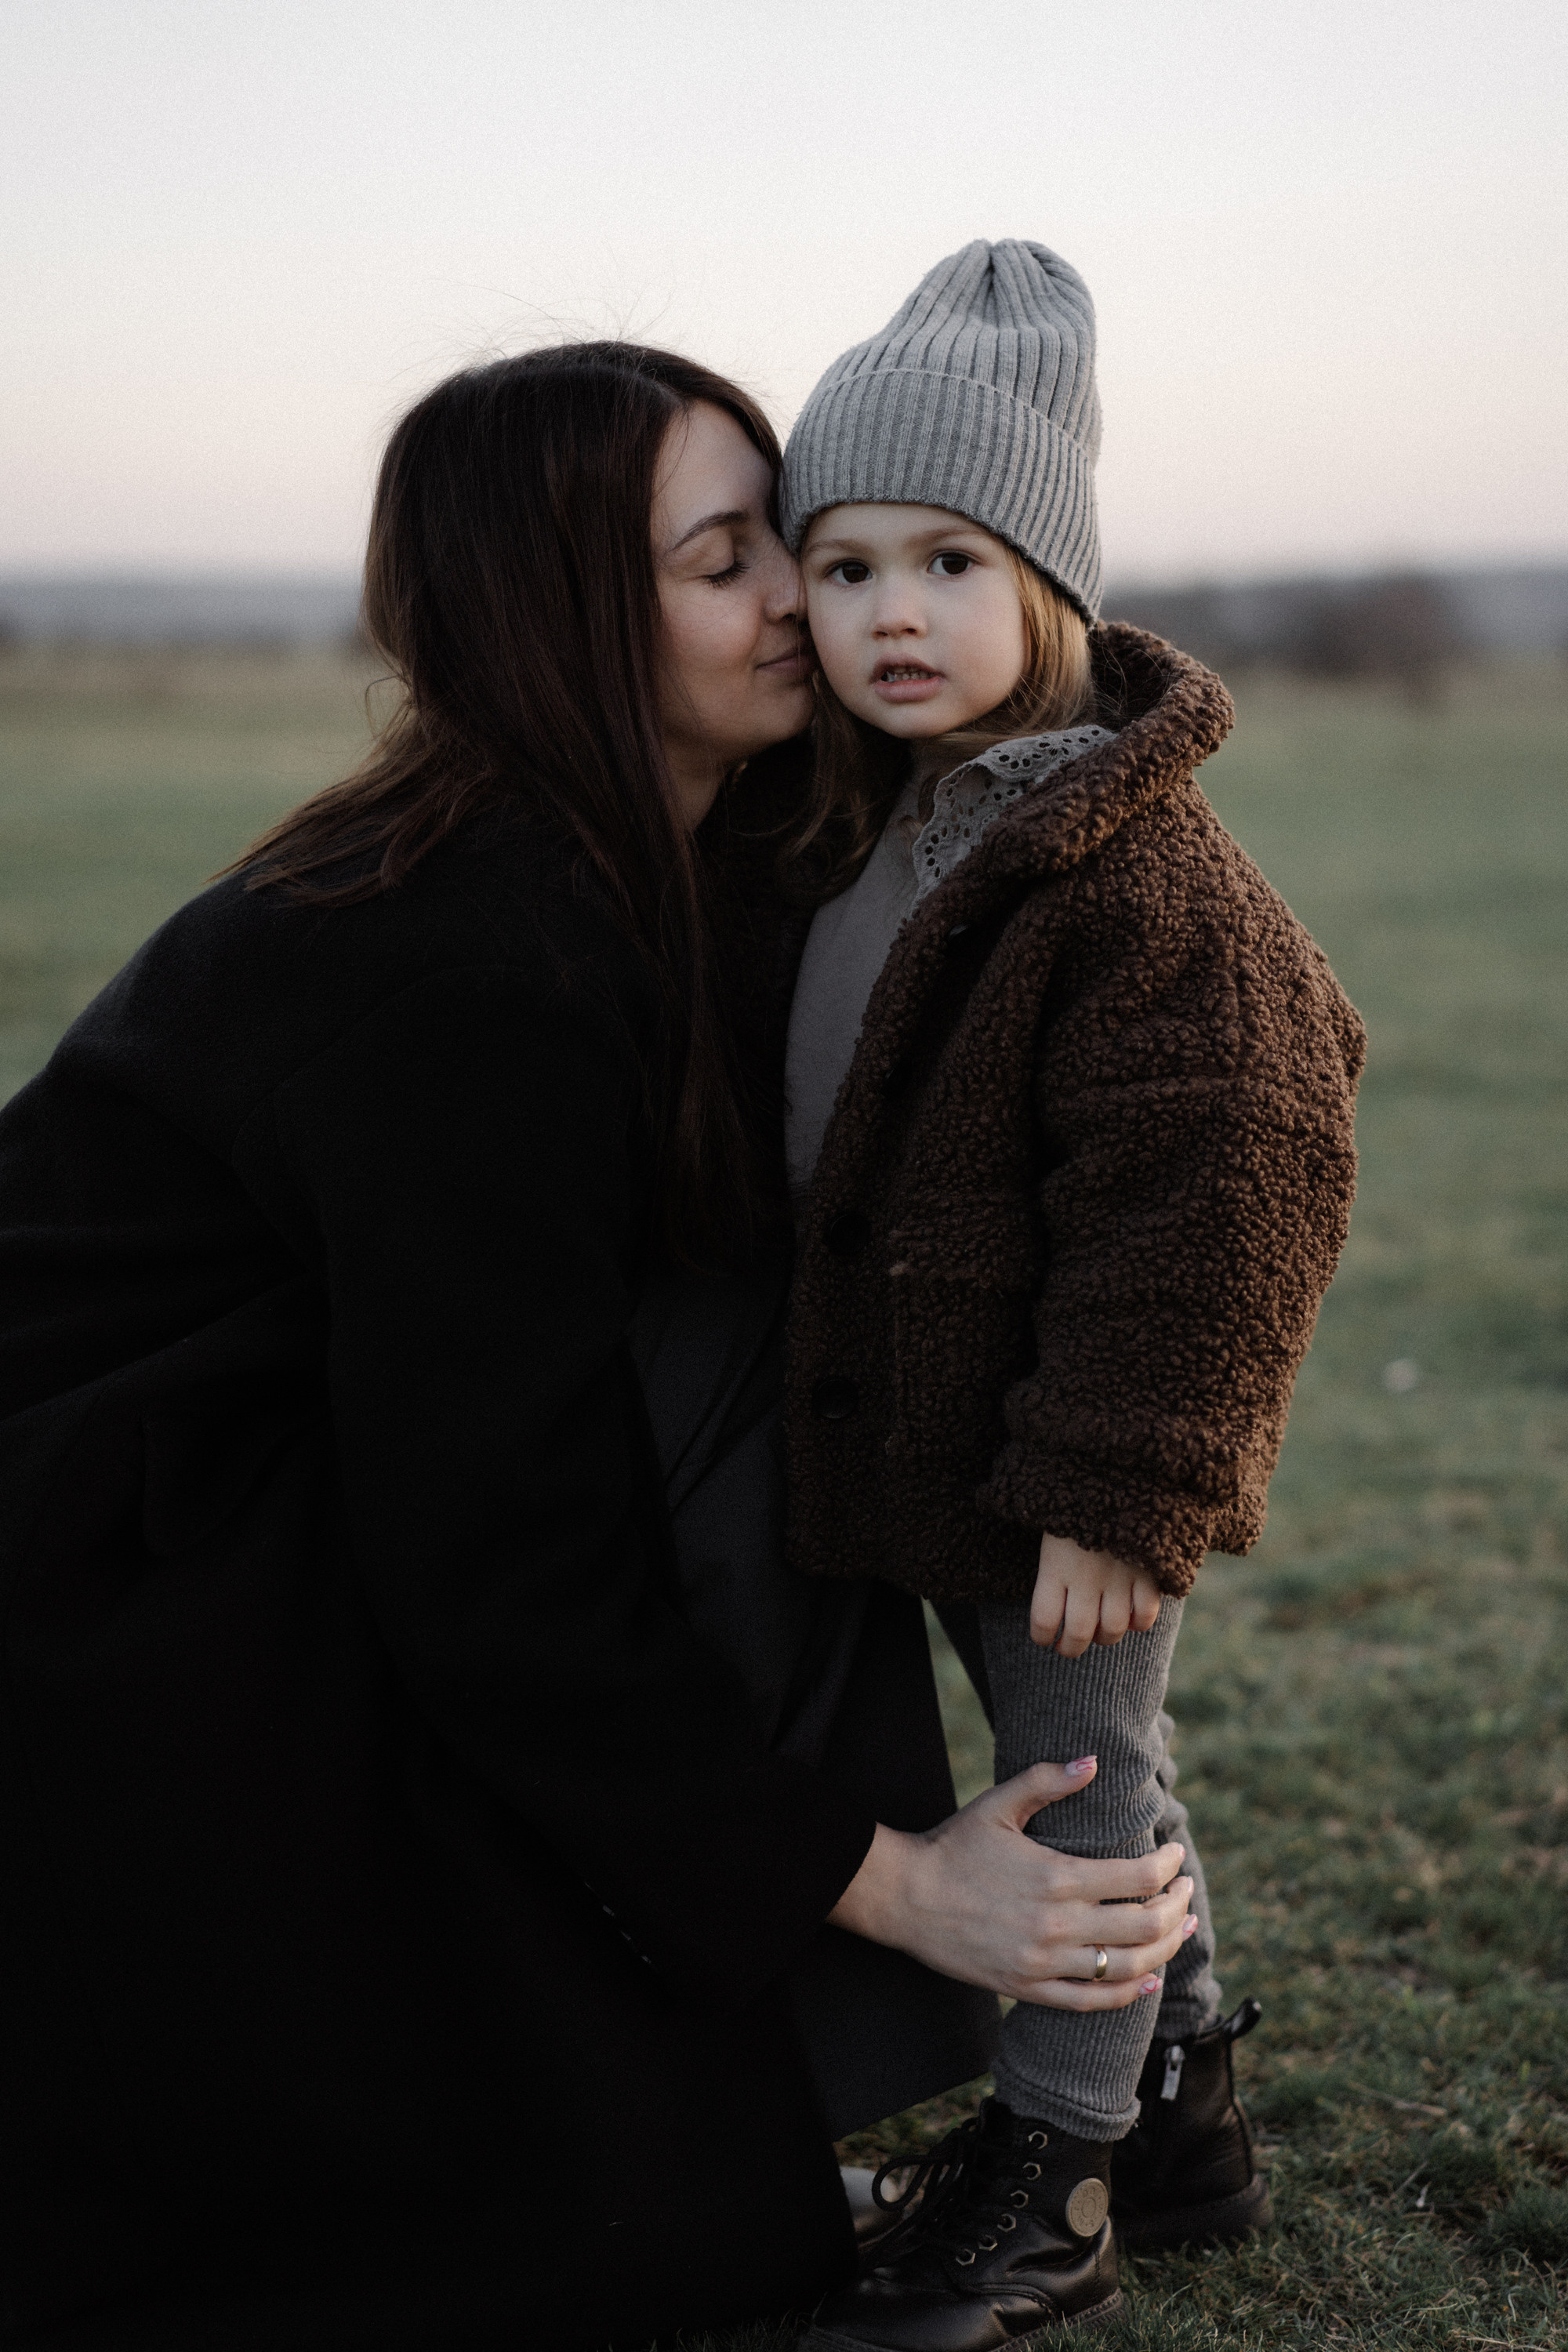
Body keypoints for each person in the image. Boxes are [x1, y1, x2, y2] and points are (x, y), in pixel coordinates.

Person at [0, 339, 1197, 2352]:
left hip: (256, 1483)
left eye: (797, 552)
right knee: (760, 1370)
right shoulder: (469, 951)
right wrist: (885, 1878)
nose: (806, 611)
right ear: (566, 611)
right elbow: (500, 1562)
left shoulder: (675, 868)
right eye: (734, 563)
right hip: (105, 1588)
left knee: (806, 1337)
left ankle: (1113, 2066)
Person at [775, 242, 1367, 2349]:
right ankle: (1183, 2099)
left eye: (948, 558)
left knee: (1069, 1795)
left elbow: (1236, 1174)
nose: (888, 614)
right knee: (1099, 1775)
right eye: (838, 569)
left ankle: (1055, 2185)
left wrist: (1123, 1475)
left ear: (1053, 584)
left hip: (1065, 1464)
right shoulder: (869, 829)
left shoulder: (1139, 869)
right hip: (904, 1424)